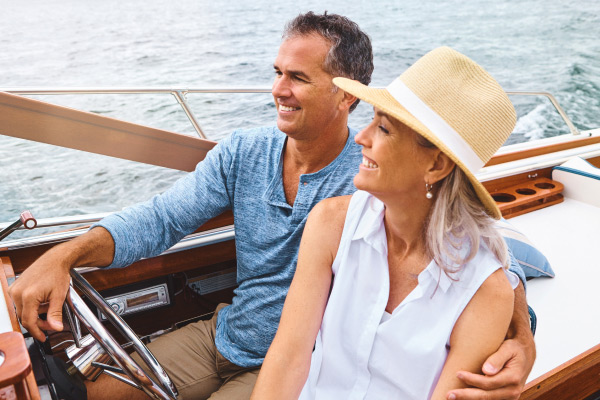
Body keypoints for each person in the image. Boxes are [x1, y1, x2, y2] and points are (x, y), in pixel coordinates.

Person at [8, 13, 533, 400]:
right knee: (96, 392)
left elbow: (485, 253)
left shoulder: (377, 178)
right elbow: (163, 218)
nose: (278, 89)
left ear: (348, 96)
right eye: (277, 71)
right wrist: (64, 255)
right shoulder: (245, 151)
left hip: (301, 359)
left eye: (298, 77)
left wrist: (521, 334)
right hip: (229, 333)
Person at [252, 46, 529, 400]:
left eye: (383, 128)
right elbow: (289, 358)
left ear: (436, 166)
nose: (361, 137)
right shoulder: (330, 223)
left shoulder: (486, 291)